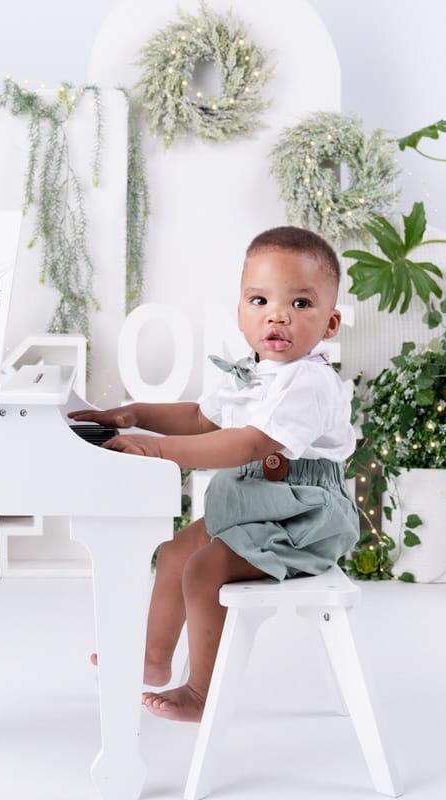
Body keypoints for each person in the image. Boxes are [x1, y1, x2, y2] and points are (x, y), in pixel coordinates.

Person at [69, 226, 358, 722]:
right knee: (175, 550)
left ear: (330, 324)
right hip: (258, 505)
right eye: (260, 300)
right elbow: (202, 419)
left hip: (304, 517)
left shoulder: (309, 381)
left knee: (204, 569)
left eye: (300, 303)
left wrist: (159, 450)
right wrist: (135, 414)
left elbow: (250, 444)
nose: (277, 315)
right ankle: (153, 658)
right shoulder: (251, 370)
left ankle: (202, 692)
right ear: (241, 311)